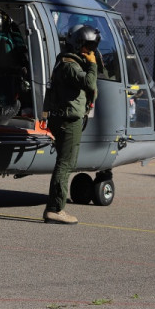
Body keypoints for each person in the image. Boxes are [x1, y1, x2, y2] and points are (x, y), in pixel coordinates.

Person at [42, 25, 99, 225]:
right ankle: (55, 208)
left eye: (93, 47)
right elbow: (90, 83)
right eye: (87, 47)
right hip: (67, 121)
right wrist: (93, 65)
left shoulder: (69, 61)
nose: (90, 51)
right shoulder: (69, 65)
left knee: (65, 163)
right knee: (65, 163)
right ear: (77, 44)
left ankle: (55, 207)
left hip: (65, 118)